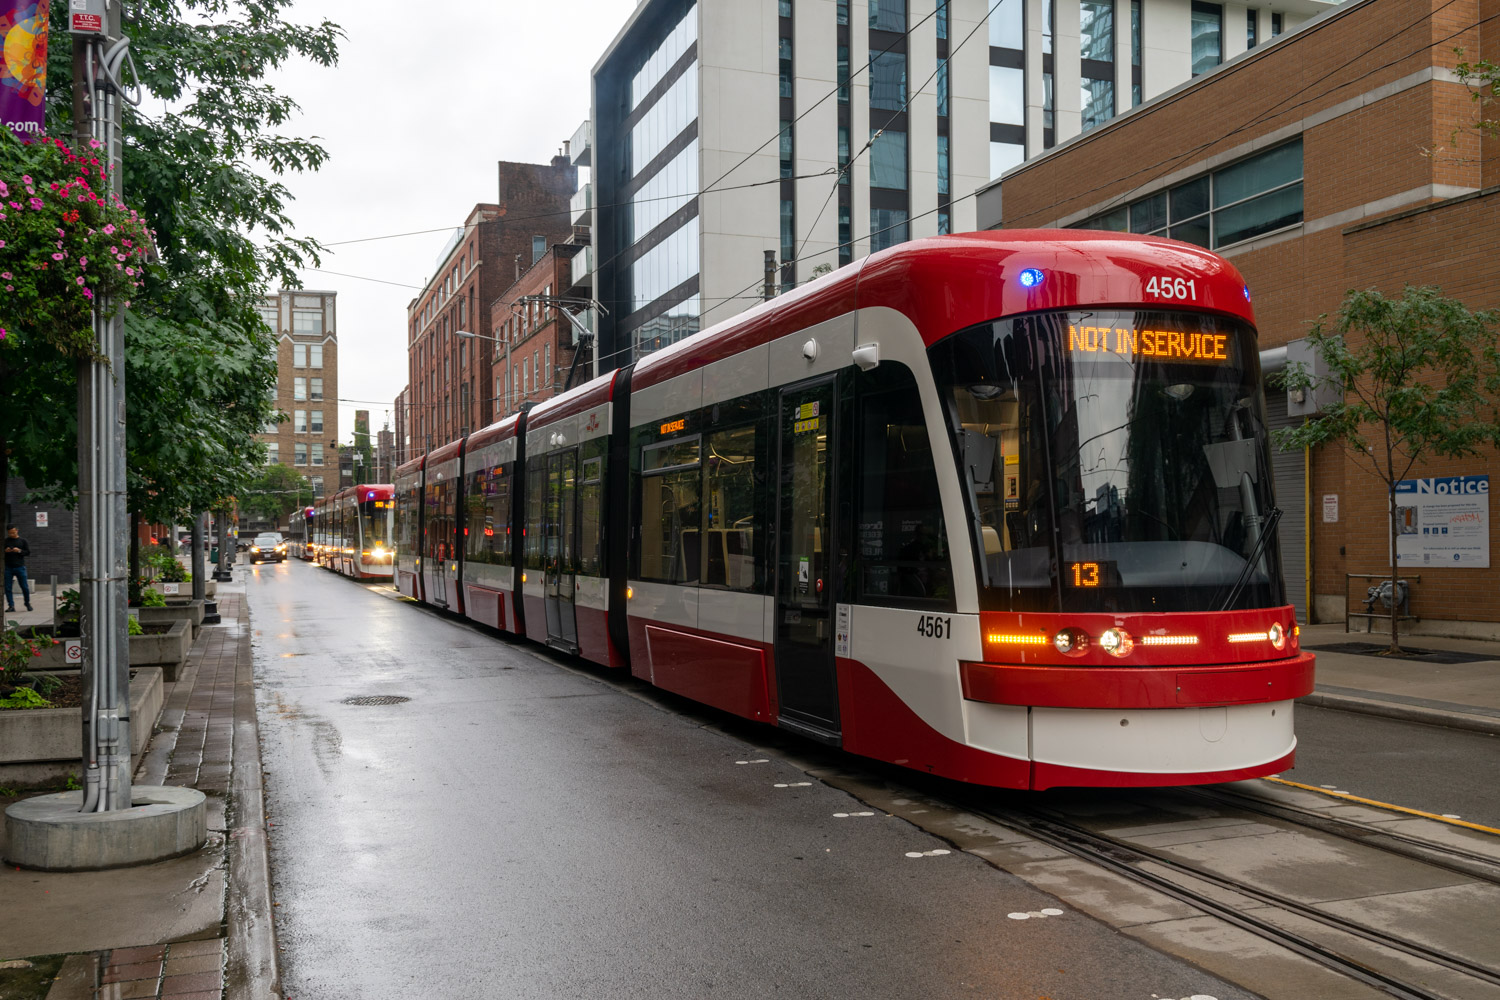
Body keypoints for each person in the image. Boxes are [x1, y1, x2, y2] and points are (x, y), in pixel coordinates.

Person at [4, 525, 32, 612]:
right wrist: (5, 551)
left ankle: (27, 603)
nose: (11, 534)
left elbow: (28, 552)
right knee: (8, 588)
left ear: (17, 530)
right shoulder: (5, 541)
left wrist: (19, 551)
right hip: (8, 567)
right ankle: (11, 606)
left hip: (20, 567)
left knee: (24, 587)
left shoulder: (23, 541)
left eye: (13, 532)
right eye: (9, 533)